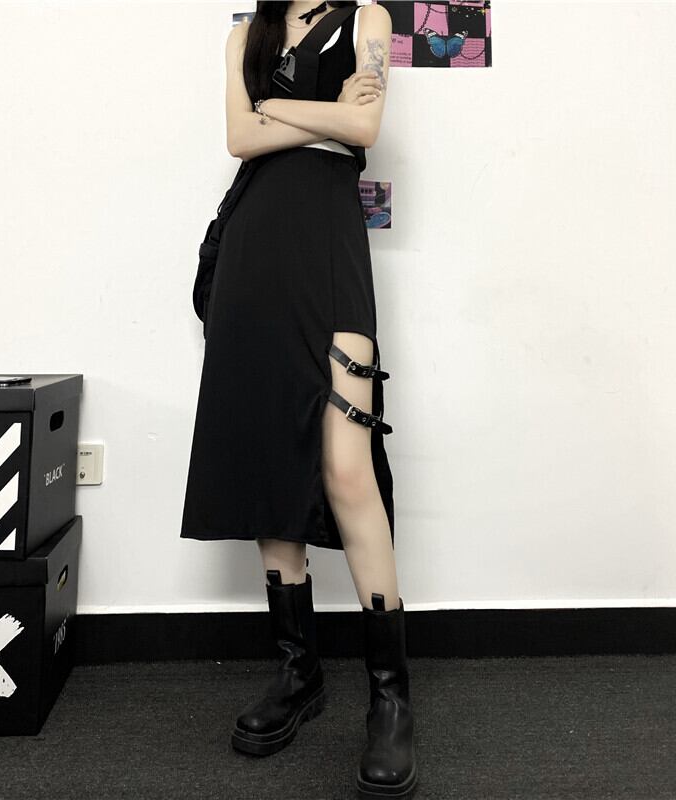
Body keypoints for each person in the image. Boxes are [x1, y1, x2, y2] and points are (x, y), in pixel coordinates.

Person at [180, 2, 416, 796]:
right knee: (269, 456)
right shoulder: (244, 32)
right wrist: (316, 113)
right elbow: (237, 139)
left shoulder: (366, 17)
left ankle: (390, 697)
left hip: (327, 239)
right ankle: (298, 671)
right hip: (254, 246)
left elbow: (364, 126)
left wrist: (271, 110)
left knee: (347, 468)